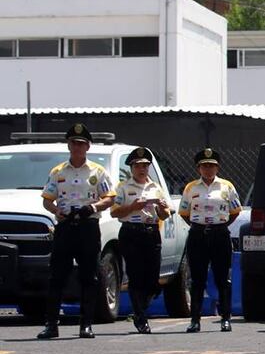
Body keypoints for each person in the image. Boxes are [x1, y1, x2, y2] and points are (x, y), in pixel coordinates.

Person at [37, 123, 115, 339]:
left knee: (89, 276)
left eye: (81, 144)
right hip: (65, 227)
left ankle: (86, 324)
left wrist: (93, 207)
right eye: (73, 143)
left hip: (88, 226)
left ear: (88, 147)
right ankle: (51, 324)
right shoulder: (58, 171)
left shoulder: (98, 171)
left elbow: (110, 197)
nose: (77, 147)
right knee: (57, 275)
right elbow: (47, 200)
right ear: (68, 146)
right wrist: (56, 211)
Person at [178, 148, 241, 333]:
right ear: (199, 168)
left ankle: (226, 318)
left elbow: (235, 211)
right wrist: (199, 225)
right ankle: (195, 320)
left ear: (217, 167)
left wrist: (219, 225)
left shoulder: (226, 186)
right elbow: (184, 212)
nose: (208, 169)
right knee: (197, 279)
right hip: (198, 234)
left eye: (212, 166)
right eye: (204, 166)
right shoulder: (191, 187)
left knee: (223, 278)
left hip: (219, 234)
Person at [110, 147, 172, 334]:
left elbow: (166, 213)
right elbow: (114, 212)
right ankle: (140, 316)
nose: (142, 169)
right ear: (131, 168)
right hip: (131, 232)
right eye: (138, 166)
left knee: (152, 277)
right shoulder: (123, 187)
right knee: (136, 275)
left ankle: (142, 304)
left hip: (151, 232)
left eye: (145, 165)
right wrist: (132, 207)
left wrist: (161, 208)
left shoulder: (155, 187)